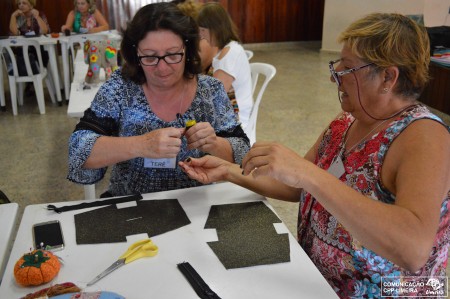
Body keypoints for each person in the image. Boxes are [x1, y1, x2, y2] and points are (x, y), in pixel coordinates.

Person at [179, 13, 450, 298]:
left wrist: (308, 173)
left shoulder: (425, 136)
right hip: (318, 282)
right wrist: (226, 171)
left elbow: (413, 249)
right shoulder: (348, 121)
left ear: (388, 77)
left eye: (346, 70)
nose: (334, 78)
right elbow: (298, 186)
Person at [67, 2, 250, 197]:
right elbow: (78, 151)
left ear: (187, 49)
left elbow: (243, 153)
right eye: (150, 57)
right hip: (131, 204)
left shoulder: (209, 90)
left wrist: (214, 143)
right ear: (135, 53)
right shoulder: (121, 87)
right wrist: (141, 145)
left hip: (195, 206)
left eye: (172, 55)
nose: (162, 69)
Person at [196, 2, 253, 130]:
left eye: (203, 31)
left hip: (234, 117)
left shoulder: (230, 54)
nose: (201, 36)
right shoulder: (227, 49)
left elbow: (213, 96)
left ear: (215, 29)